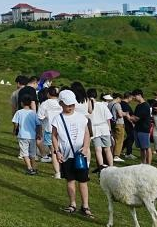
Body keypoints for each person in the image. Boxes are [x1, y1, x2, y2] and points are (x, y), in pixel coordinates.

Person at [51, 89, 94, 219]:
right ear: (61, 104)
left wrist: (86, 147)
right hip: (66, 154)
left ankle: (85, 206)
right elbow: (54, 136)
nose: (70, 107)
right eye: (67, 105)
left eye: (72, 105)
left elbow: (87, 133)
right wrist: (57, 151)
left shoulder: (81, 117)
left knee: (83, 181)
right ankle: (72, 204)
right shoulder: (57, 119)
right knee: (70, 180)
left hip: (80, 155)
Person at [37, 87, 62, 175]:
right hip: (62, 130)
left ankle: (58, 173)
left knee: (54, 151)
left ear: (48, 94)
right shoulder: (61, 103)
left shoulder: (45, 104)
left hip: (50, 130)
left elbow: (39, 117)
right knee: (62, 150)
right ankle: (64, 170)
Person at [13, 94, 39, 175]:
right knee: (32, 153)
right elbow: (38, 124)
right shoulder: (34, 113)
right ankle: (34, 168)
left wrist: (14, 130)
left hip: (23, 135)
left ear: (22, 103)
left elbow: (16, 123)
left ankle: (29, 168)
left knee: (24, 153)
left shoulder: (19, 112)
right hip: (32, 136)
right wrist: (39, 133)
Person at [89, 94, 114, 171]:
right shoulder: (102, 105)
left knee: (98, 150)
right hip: (104, 128)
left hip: (95, 129)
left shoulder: (89, 106)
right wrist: (109, 130)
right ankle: (111, 166)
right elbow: (108, 118)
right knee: (107, 149)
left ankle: (101, 167)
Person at [128, 89, 153, 164]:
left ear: (139, 95)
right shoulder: (138, 105)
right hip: (138, 129)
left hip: (143, 129)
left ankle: (148, 164)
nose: (134, 98)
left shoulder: (145, 105)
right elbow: (134, 116)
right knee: (142, 148)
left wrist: (127, 116)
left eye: (134, 96)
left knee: (147, 147)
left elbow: (136, 118)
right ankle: (143, 163)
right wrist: (132, 117)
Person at [111, 94, 127, 162]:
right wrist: (125, 114)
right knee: (119, 140)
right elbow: (120, 115)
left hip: (113, 123)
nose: (120, 101)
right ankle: (116, 155)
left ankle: (112, 153)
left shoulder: (110, 104)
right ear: (118, 98)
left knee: (114, 139)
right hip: (119, 123)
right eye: (120, 99)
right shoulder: (117, 105)